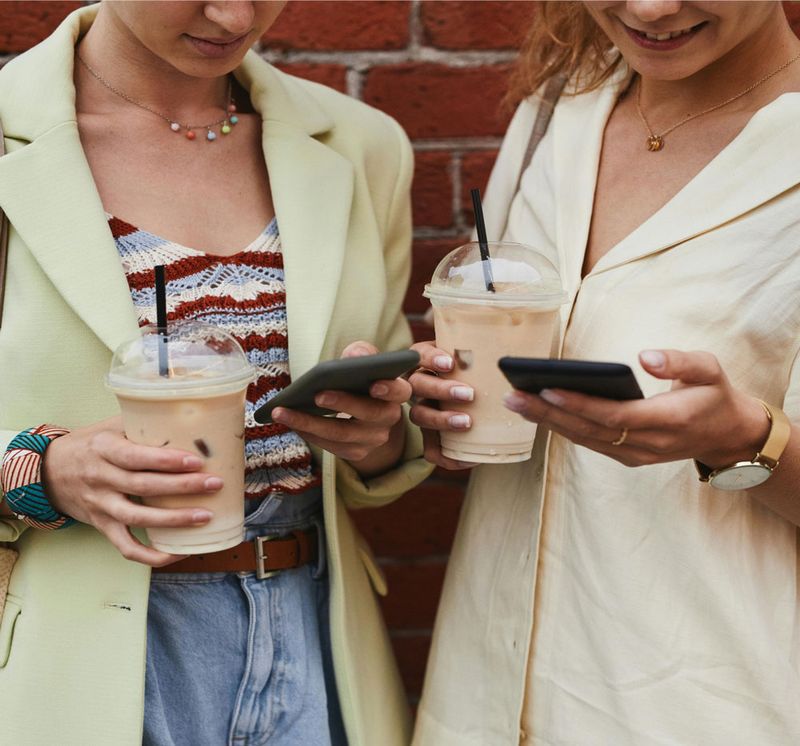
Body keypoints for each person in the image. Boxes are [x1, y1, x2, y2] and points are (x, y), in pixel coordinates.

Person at [0, 2, 431, 744]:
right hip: (69, 654)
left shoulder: (360, 145)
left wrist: (381, 437)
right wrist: (43, 469)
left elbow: (393, 431)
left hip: (314, 630)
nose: (234, 14)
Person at [410, 2, 800, 744]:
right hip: (481, 702)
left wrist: (745, 440)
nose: (651, 8)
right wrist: (442, 405)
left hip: (703, 709)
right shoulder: (555, 114)